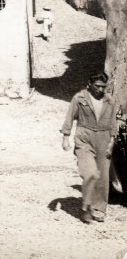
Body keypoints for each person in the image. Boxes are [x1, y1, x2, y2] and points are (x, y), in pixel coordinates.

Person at [61, 72, 119, 223]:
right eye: (97, 86)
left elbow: (113, 124)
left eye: (103, 86)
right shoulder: (79, 98)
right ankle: (86, 206)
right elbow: (69, 117)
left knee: (103, 176)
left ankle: (99, 208)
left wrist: (111, 142)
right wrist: (65, 137)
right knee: (90, 173)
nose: (100, 89)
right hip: (84, 137)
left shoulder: (110, 101)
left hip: (104, 139)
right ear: (89, 85)